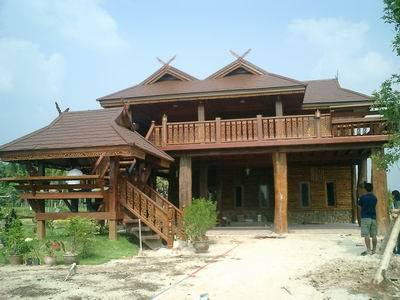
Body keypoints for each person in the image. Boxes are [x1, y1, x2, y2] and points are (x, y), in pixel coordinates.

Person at [358, 182, 378, 255]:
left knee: (366, 235)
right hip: (373, 217)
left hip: (365, 217)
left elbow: (359, 207)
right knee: (374, 235)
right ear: (372, 189)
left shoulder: (362, 197)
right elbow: (374, 207)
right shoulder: (374, 198)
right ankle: (374, 250)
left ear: (365, 189)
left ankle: (368, 250)